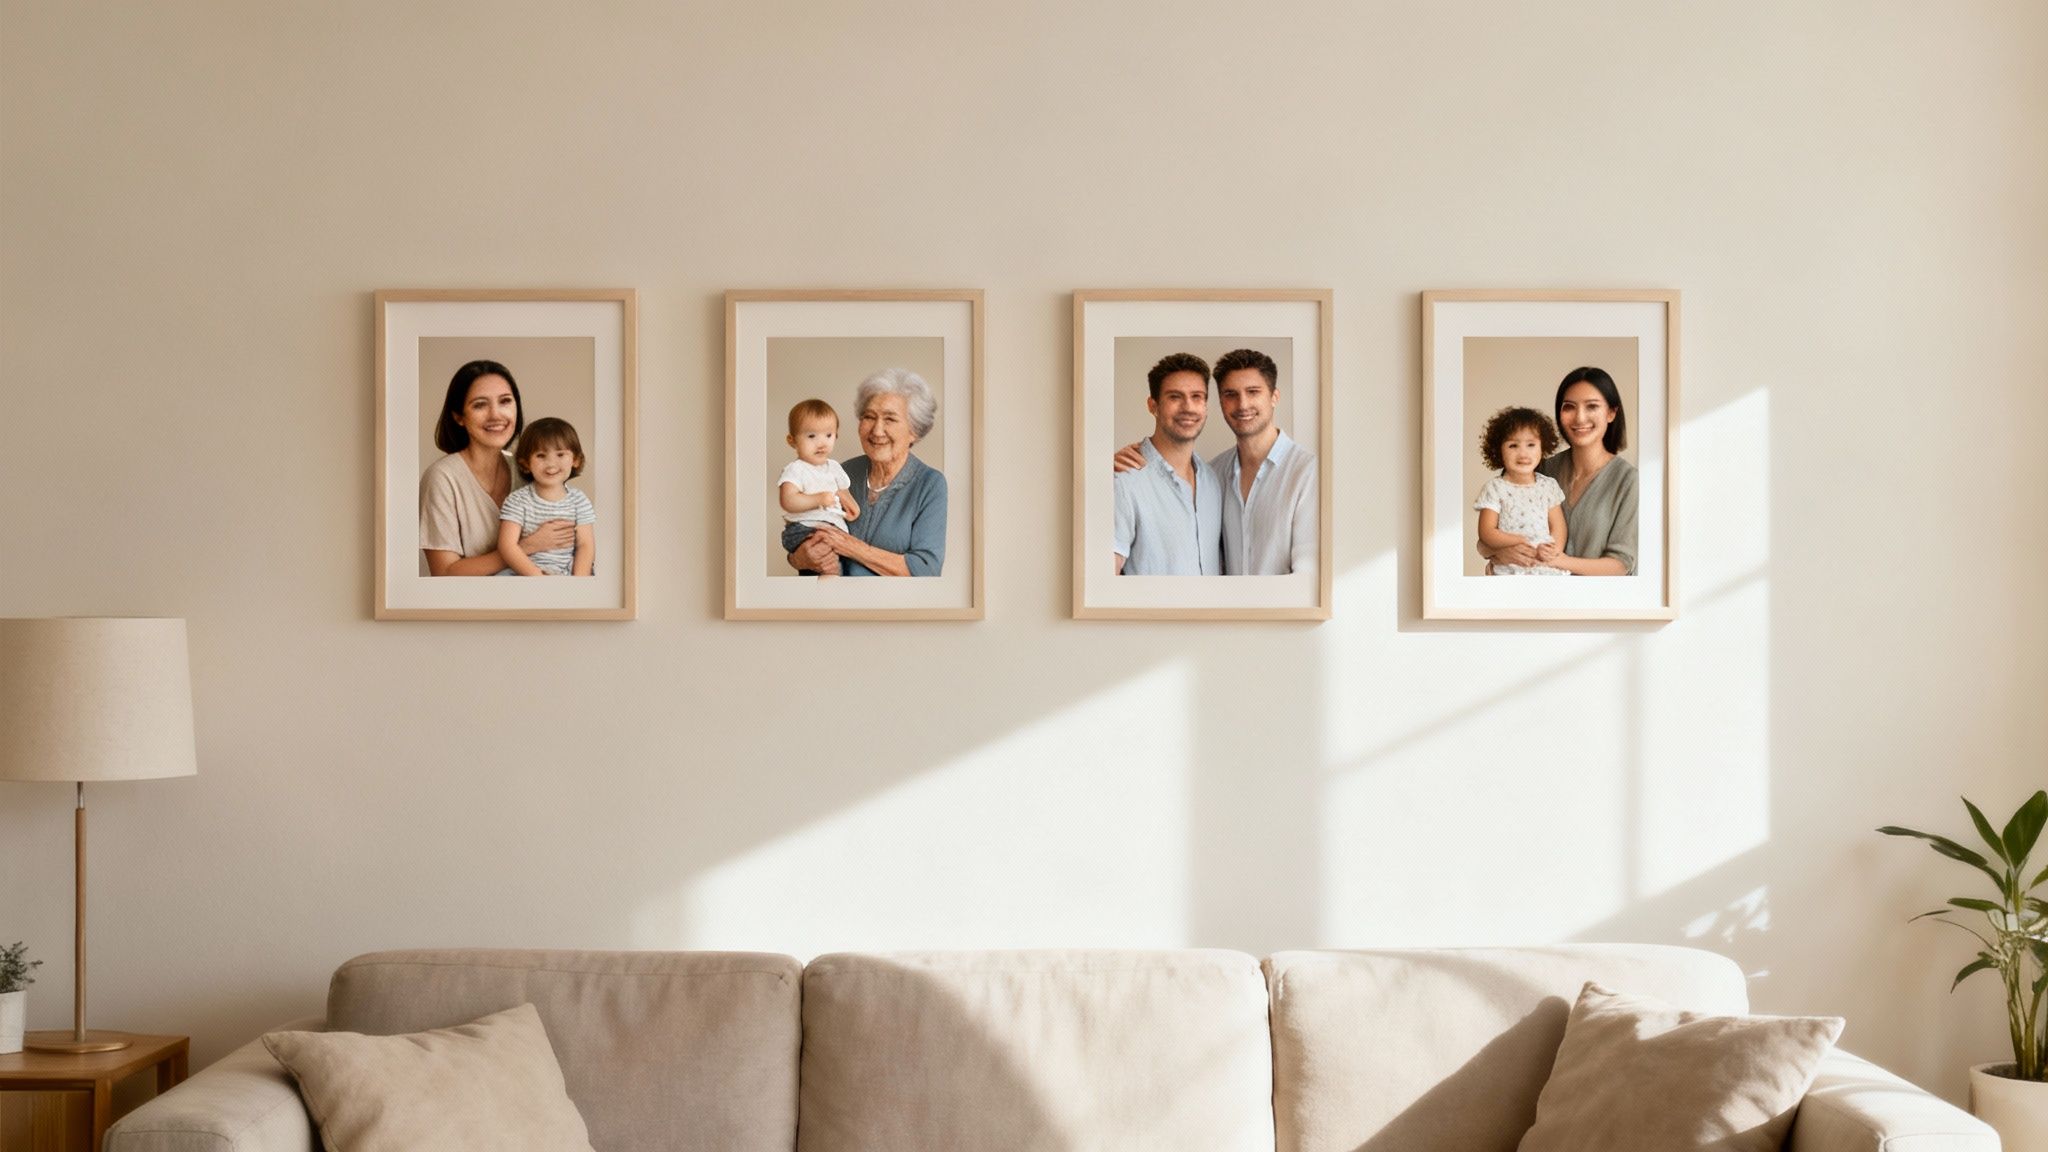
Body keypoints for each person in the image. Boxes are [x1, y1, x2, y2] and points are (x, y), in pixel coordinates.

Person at [418, 360, 575, 576]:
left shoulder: (528, 469)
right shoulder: (442, 478)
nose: (496, 415)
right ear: (459, 417)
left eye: (505, 401)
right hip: (470, 608)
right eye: (480, 405)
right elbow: (444, 572)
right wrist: (526, 546)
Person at [1478, 366, 1637, 576]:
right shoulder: (1540, 470)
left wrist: (1560, 561)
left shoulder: (1628, 481)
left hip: (1599, 605)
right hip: (1537, 602)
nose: (1580, 418)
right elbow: (1484, 543)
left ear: (1611, 413)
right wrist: (1502, 554)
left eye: (1592, 406)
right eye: (1569, 407)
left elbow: (1621, 565)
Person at [787, 368, 946, 577]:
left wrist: (851, 547)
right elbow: (802, 537)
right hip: (833, 605)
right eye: (869, 417)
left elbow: (926, 569)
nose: (877, 430)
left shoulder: (929, 484)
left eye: (890, 419)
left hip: (893, 608)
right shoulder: (840, 473)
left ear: (914, 430)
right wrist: (799, 557)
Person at [1112, 352, 1222, 575]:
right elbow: (1101, 584)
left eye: (1197, 396)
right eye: (1175, 397)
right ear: (1153, 405)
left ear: (1206, 406)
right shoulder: (1124, 480)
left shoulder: (1212, 480)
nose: (1188, 407)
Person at [1472, 406, 1568, 576]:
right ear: (1498, 450)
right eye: (1513, 445)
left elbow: (1558, 525)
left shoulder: (1548, 486)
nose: (1523, 453)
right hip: (1509, 568)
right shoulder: (1495, 488)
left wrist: (1554, 549)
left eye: (1531, 444)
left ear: (1542, 448)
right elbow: (1486, 532)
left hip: (1543, 565)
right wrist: (1519, 540)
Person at [498, 418, 595, 577]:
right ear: (526, 464)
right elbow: (507, 546)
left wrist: (579, 582)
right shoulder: (517, 501)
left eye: (560, 454)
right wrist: (537, 577)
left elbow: (585, 545)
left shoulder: (579, 500)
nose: (551, 464)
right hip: (525, 573)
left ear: (575, 460)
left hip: (567, 573)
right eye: (541, 456)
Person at [778, 399, 860, 578]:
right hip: (806, 528)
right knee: (827, 565)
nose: (821, 443)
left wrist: (853, 507)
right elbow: (788, 500)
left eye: (828, 435)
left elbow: (842, 492)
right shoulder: (796, 469)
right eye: (811, 436)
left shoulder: (834, 467)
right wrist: (817, 500)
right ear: (792, 441)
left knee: (847, 565)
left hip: (833, 528)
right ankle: (825, 602)